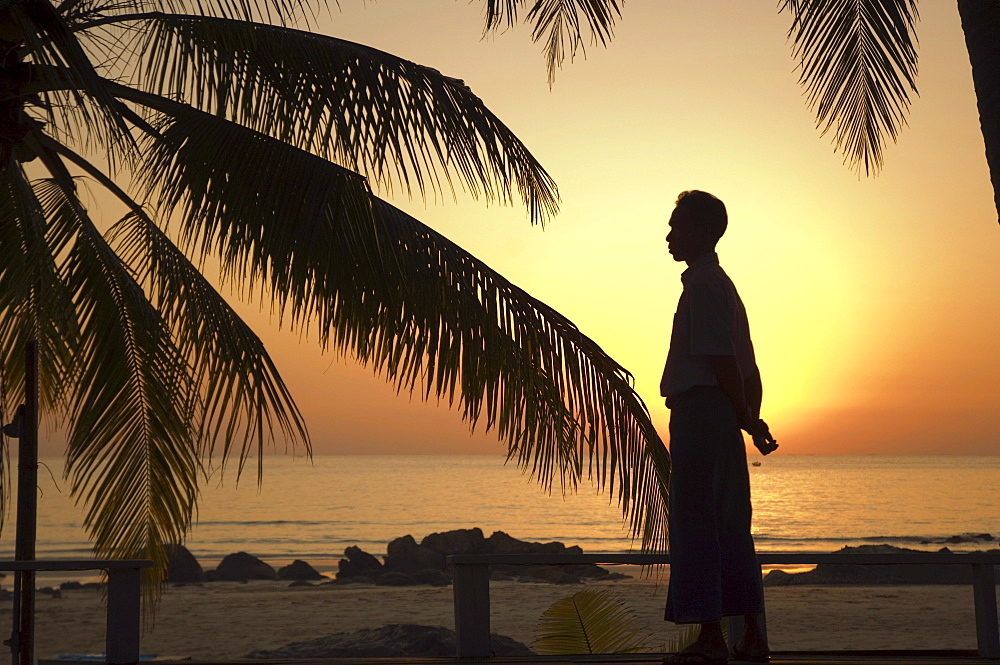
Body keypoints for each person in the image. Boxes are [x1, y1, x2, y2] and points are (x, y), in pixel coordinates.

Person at [660, 190, 777, 665]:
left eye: (678, 226)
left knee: (698, 522)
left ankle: (712, 639)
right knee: (729, 525)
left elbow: (722, 360)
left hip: (703, 415)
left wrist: (746, 416)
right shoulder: (722, 286)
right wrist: (749, 416)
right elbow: (747, 367)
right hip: (722, 415)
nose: (669, 235)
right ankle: (750, 636)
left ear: (704, 232)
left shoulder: (705, 286)